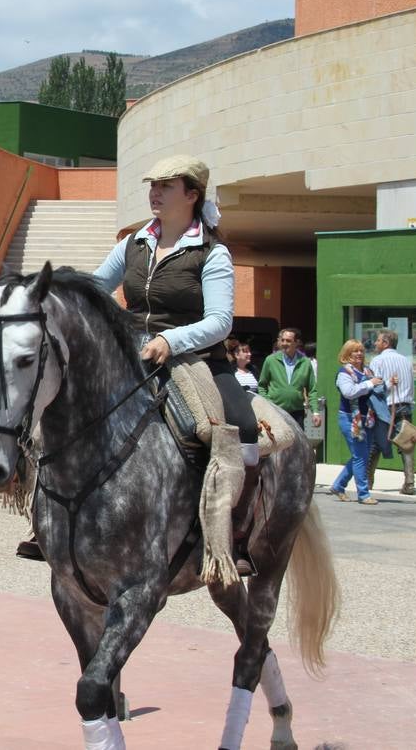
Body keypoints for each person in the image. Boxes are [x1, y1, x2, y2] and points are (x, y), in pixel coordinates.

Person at [93, 155, 261, 573]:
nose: (155, 191)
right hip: (130, 358)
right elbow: (95, 288)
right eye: (153, 184)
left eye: (166, 185)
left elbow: (220, 322)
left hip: (197, 360)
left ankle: (234, 537)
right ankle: (52, 521)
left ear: (192, 194)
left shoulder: (212, 253)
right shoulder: (132, 244)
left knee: (244, 427)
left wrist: (171, 338)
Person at [328, 340, 383, 505]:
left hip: (368, 419)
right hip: (351, 419)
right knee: (360, 456)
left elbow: (376, 388)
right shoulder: (344, 373)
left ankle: (338, 485)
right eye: (354, 351)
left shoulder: (367, 371)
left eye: (361, 351)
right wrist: (369, 384)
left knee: (361, 456)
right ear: (347, 354)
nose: (359, 354)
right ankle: (363, 494)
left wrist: (387, 384)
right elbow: (349, 392)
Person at [366, 328, 416, 495]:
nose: (375, 343)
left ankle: (367, 481)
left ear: (385, 343)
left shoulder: (377, 361)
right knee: (406, 444)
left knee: (375, 443)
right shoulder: (406, 360)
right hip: (405, 405)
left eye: (378, 340)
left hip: (384, 406)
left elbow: (376, 386)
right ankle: (409, 482)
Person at [258, 328, 322, 430]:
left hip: (297, 413)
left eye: (288, 341)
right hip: (276, 412)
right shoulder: (271, 360)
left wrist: (315, 412)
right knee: (278, 443)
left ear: (297, 343)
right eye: (282, 340)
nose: (284, 343)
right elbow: (262, 386)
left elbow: (312, 390)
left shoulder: (305, 362)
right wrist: (268, 403)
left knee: (298, 445)